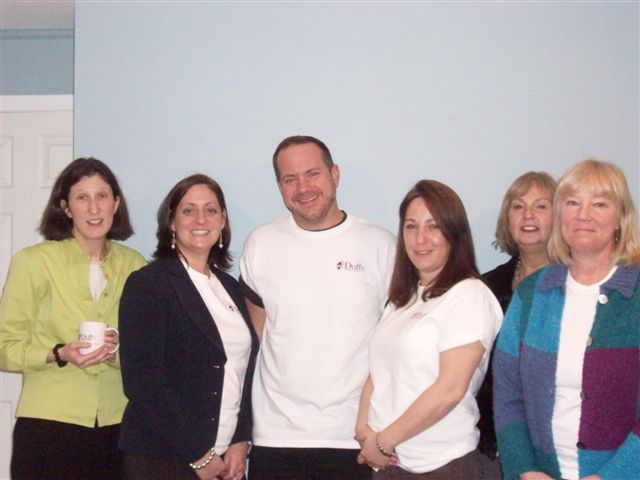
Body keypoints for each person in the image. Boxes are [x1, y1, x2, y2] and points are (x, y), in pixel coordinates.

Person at [239, 135, 396, 479]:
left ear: (335, 174)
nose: (303, 187)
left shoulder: (380, 245)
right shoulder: (260, 244)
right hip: (276, 437)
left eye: (313, 174)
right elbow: (261, 328)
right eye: (290, 179)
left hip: (354, 437)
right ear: (279, 186)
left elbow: (395, 342)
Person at [493, 159, 640, 480]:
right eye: (572, 203)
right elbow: (508, 396)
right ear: (560, 215)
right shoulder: (532, 294)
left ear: (621, 218)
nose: (583, 214)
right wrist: (524, 468)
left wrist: (614, 476)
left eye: (599, 204)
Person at [0, 157, 146, 479]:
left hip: (116, 425)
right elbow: (4, 347)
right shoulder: (33, 262)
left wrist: (116, 350)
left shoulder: (135, 265)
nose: (94, 208)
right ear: (66, 208)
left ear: (116, 203)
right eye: (82, 197)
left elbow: (148, 349)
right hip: (49, 424)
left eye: (102, 196)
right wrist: (58, 353)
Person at [356, 179, 503, 479]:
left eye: (433, 226)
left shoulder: (469, 295)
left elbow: (449, 389)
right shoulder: (402, 300)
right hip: (391, 464)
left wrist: (384, 442)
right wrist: (363, 428)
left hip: (442, 466)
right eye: (411, 226)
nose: (420, 238)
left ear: (454, 233)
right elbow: (378, 372)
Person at [118, 174, 259, 480]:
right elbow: (143, 381)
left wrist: (241, 438)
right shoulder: (148, 284)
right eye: (188, 210)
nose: (200, 219)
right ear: (171, 221)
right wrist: (198, 454)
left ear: (223, 221)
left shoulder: (230, 287)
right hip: (164, 458)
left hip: (224, 459)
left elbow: (244, 372)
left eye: (211, 210)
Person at [477, 171, 556, 478]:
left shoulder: (577, 285)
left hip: (555, 446)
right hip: (494, 444)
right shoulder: (486, 285)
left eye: (541, 206)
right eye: (518, 206)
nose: (528, 215)